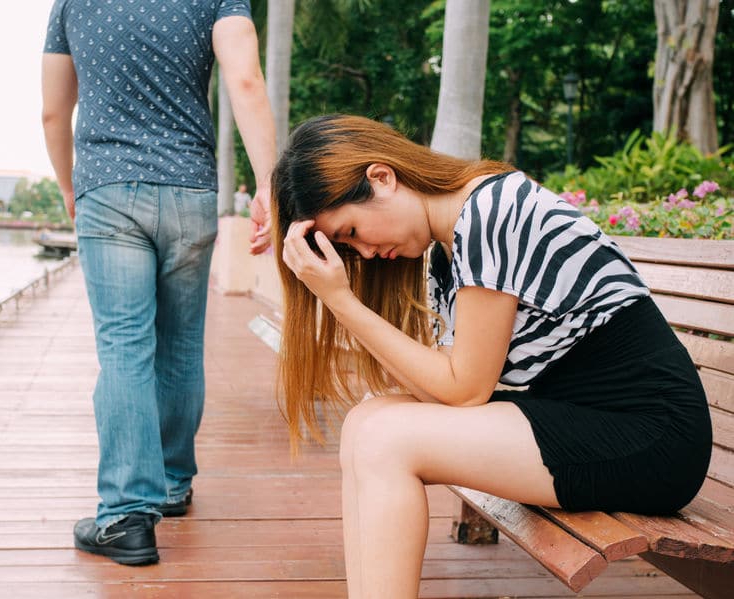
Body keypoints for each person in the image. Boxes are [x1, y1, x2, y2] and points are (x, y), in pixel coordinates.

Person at [271, 114, 712, 598]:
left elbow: (463, 390)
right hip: (588, 419)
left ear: (381, 177)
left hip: (650, 435)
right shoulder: (449, 246)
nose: (366, 252)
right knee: (366, 420)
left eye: (352, 230)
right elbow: (446, 386)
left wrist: (339, 300)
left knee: (384, 439)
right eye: (348, 246)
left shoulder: (489, 212)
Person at [41, 0, 275, 566]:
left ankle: (125, 515)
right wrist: (269, 183)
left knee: (125, 347)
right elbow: (243, 77)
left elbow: (53, 112)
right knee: (180, 344)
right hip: (191, 187)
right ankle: (171, 483)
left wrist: (70, 185)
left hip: (108, 186)